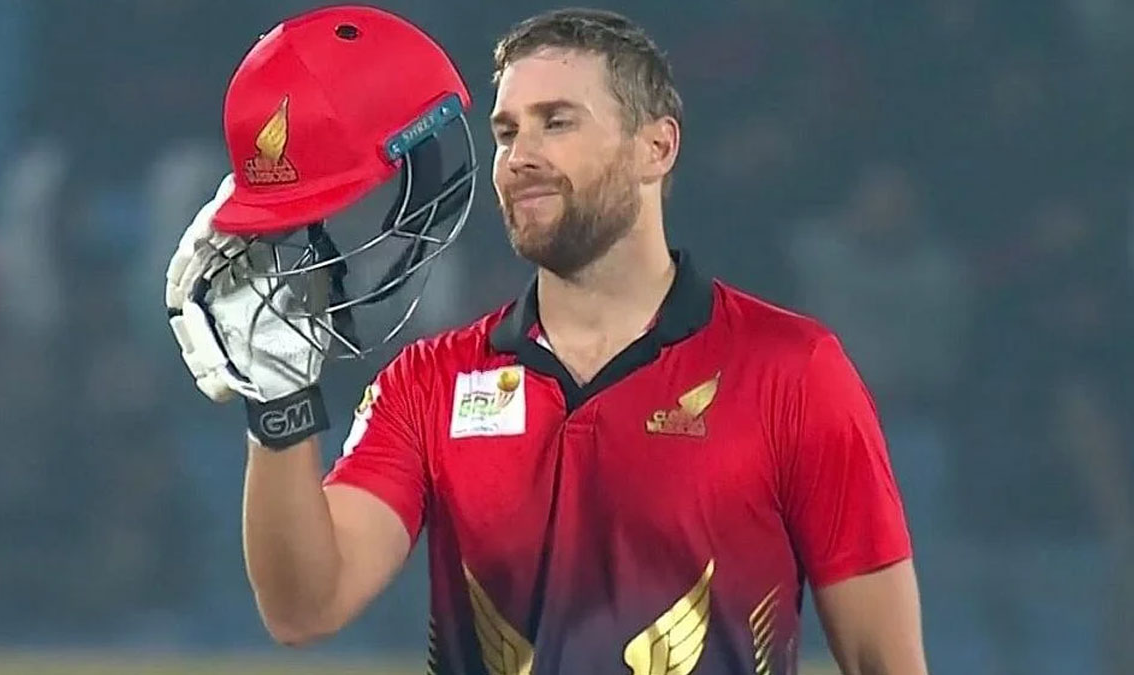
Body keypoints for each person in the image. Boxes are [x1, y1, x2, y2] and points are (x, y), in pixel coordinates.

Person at [166, 6, 927, 674]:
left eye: (557, 123)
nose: (520, 156)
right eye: (506, 132)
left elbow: (883, 661)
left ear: (656, 148)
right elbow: (304, 608)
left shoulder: (793, 370)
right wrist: (279, 401)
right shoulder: (429, 381)